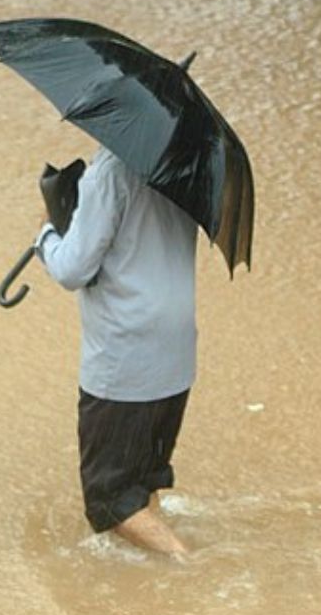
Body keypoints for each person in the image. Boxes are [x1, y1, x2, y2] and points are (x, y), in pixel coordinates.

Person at [34, 146, 198, 556]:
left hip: (125, 359)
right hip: (175, 352)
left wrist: (45, 236)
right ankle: (156, 571)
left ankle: (188, 566)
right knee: (142, 483)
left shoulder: (109, 171)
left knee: (109, 501)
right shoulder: (186, 159)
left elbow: (73, 269)